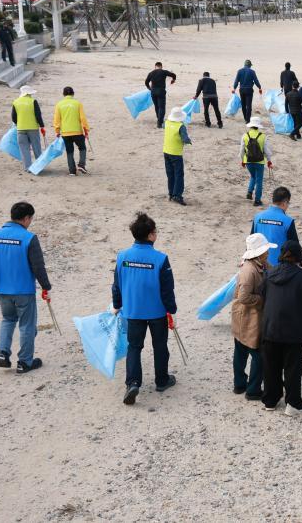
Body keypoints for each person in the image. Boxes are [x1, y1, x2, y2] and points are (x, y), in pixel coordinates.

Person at [0, 201, 52, 373]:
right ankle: (25, 362)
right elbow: (38, 266)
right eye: (30, 219)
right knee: (27, 325)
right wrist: (46, 286)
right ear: (26, 218)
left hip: (1, 289)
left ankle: (2, 353)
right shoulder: (29, 238)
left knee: (8, 319)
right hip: (23, 289)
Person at [111, 212, 178, 405]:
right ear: (150, 235)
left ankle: (133, 383)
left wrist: (117, 305)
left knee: (134, 347)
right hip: (157, 312)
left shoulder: (122, 257)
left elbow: (116, 285)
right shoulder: (161, 259)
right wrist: (171, 309)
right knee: (160, 346)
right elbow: (167, 288)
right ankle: (162, 380)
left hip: (133, 311)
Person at [260, 240, 302, 414]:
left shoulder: (269, 274)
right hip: (294, 330)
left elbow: (262, 293)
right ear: (298, 256)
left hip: (270, 328)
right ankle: (293, 404)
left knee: (271, 366)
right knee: (293, 368)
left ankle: (270, 400)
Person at [232, 233, 275, 401]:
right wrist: (262, 300)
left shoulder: (261, 264)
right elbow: (243, 297)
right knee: (258, 355)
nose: (268, 253)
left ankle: (239, 384)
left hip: (245, 317)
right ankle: (253, 389)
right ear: (260, 253)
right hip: (249, 317)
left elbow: (273, 272)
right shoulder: (250, 271)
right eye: (266, 251)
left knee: (240, 351)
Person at [250, 186, 299, 266]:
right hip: (279, 268)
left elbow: (251, 241)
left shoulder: (257, 217)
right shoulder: (288, 221)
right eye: (288, 203)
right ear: (285, 202)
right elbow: (295, 247)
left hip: (258, 265)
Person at [54, 86, 90, 176]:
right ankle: (81, 164)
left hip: (65, 133)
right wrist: (86, 130)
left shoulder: (59, 104)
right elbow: (83, 118)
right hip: (77, 131)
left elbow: (57, 119)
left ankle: (72, 171)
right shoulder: (78, 103)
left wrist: (57, 131)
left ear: (63, 94)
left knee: (69, 151)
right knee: (82, 148)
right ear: (73, 94)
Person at [11, 85, 45, 172]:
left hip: (21, 129)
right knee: (36, 147)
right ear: (29, 93)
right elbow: (38, 115)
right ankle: (39, 166)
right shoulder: (33, 101)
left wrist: (19, 124)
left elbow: (13, 117)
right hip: (33, 128)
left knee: (24, 149)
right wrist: (42, 125)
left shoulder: (16, 102)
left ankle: (28, 168)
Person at [241, 117, 273, 207]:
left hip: (248, 161)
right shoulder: (263, 136)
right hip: (260, 162)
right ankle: (257, 200)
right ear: (258, 126)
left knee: (253, 176)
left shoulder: (245, 135)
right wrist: (269, 161)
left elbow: (242, 151)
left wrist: (243, 160)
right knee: (259, 180)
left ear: (250, 126)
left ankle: (249, 192)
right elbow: (267, 151)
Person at [163, 107, 192, 205]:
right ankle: (177, 195)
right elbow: (185, 139)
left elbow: (163, 126)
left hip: (166, 151)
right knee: (179, 174)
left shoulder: (166, 122)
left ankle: (171, 194)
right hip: (176, 153)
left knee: (170, 174)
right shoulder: (181, 126)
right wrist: (188, 141)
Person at [145, 62, 177, 129]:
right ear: (161, 66)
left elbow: (146, 82)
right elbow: (174, 75)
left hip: (153, 92)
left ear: (155, 66)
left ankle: (159, 120)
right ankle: (159, 123)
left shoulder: (151, 73)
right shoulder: (163, 72)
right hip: (161, 91)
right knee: (162, 107)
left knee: (157, 107)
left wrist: (149, 88)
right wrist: (173, 80)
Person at [232, 59, 262, 124]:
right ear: (249, 65)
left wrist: (234, 88)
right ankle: (248, 120)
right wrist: (259, 87)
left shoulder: (239, 71)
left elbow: (236, 81)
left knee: (243, 105)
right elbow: (256, 81)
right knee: (248, 105)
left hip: (242, 90)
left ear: (244, 65)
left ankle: (246, 118)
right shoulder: (252, 72)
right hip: (249, 90)